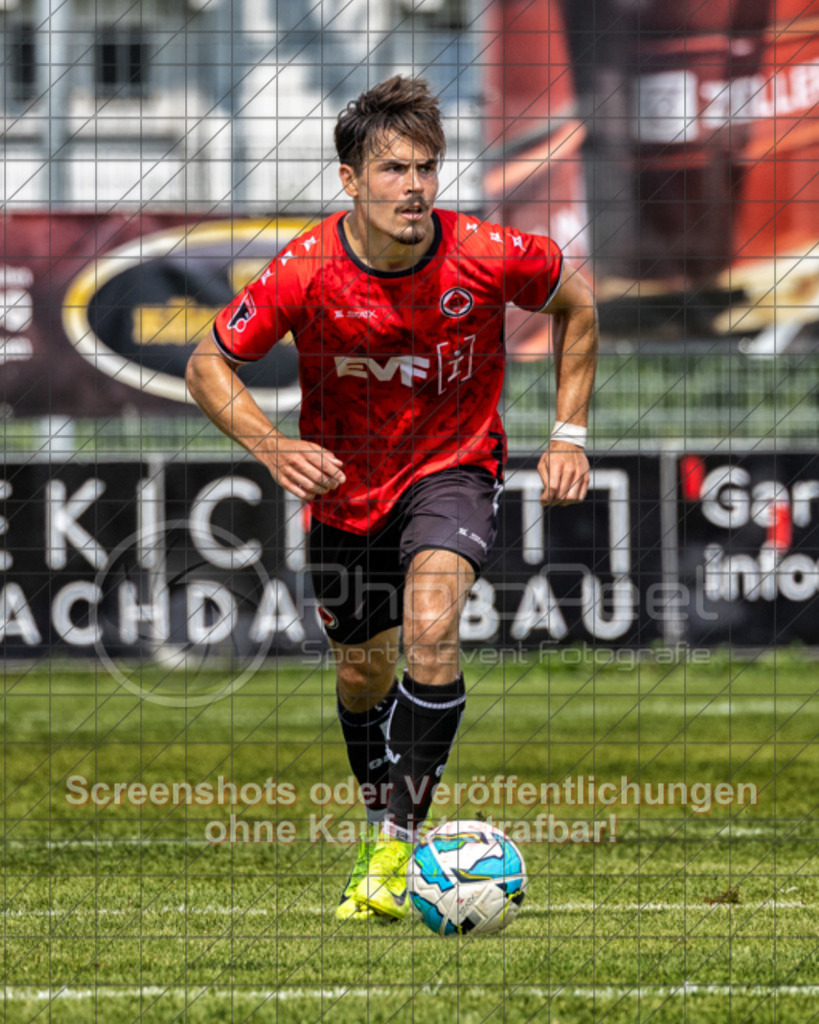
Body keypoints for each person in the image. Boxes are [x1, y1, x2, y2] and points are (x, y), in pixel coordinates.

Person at [186, 75, 597, 923]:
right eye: (393, 170)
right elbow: (205, 363)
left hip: (453, 470)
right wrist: (271, 446)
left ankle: (396, 844)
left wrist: (569, 434)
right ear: (350, 180)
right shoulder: (304, 270)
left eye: (425, 169)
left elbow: (575, 301)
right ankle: (383, 816)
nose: (413, 188)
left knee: (432, 630)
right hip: (346, 492)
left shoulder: (484, 253)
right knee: (360, 672)